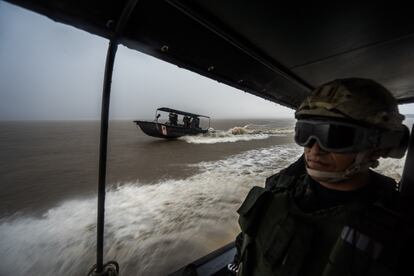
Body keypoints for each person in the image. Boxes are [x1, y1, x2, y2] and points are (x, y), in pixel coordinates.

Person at [231, 78, 413, 276]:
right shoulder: (278, 188)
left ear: (379, 145)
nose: (314, 149)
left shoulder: (398, 235)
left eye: (335, 135)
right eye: (306, 132)